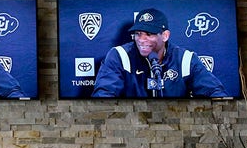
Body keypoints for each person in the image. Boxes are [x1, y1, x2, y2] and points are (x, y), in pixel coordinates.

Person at [92, 8, 229, 98]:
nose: (141, 40)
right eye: (138, 34)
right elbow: (104, 95)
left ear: (165, 36)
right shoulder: (120, 56)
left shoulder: (185, 59)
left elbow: (215, 92)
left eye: (149, 34)